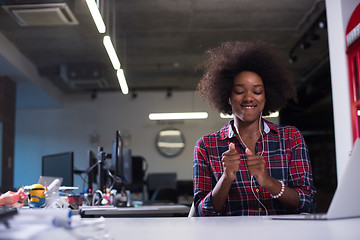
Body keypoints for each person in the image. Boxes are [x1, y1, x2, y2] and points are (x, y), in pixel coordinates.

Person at [193, 40, 316, 216]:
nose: (249, 97)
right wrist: (225, 178)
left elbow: (308, 203)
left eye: (257, 91)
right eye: (239, 91)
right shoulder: (206, 146)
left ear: (267, 97)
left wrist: (268, 181)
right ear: (227, 96)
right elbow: (200, 213)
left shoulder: (290, 138)